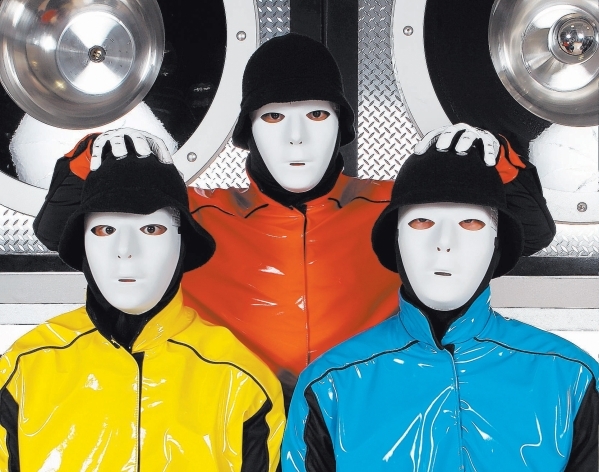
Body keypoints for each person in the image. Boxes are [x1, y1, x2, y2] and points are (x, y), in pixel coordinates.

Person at [33, 34, 555, 397]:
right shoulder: (196, 215)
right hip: (236, 421)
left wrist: (497, 157)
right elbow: (56, 234)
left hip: (358, 421)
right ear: (249, 131)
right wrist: (93, 157)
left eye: (317, 114)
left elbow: (528, 236)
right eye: (274, 116)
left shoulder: (398, 210)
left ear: (340, 126)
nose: (297, 137)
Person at [282, 142, 598, 471]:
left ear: (496, 244)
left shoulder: (571, 378)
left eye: (470, 223)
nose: (445, 243)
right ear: (396, 240)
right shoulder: (330, 385)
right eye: (422, 222)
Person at [2, 147, 284, 470]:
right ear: (84, 245)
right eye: (105, 230)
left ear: (182, 244)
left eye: (151, 229)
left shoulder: (242, 382)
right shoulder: (22, 373)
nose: (126, 250)